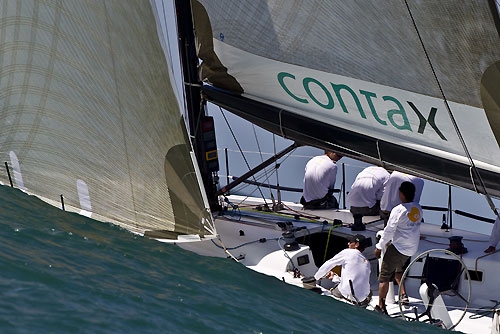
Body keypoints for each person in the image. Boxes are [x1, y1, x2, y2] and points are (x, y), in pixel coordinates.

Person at [374, 181, 422, 313]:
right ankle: (403, 294)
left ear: (401, 194)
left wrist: (379, 247)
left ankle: (381, 306)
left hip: (398, 248)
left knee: (384, 277)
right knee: (398, 269)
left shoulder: (398, 210)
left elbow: (388, 231)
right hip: (411, 249)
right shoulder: (418, 207)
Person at [315, 234, 371, 306]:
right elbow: (354, 278)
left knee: (334, 290)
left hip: (347, 293)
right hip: (362, 298)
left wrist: (316, 277)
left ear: (356, 244)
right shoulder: (367, 262)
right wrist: (334, 277)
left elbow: (329, 264)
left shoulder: (348, 252)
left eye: (351, 242)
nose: (348, 243)